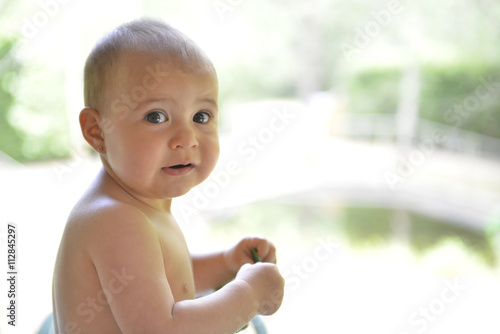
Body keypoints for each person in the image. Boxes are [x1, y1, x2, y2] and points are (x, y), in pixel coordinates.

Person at [52, 18, 284, 334]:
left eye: (201, 117)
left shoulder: (134, 207)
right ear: (97, 131)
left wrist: (226, 262)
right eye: (156, 116)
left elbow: (169, 281)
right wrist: (249, 295)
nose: (186, 138)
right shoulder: (115, 221)